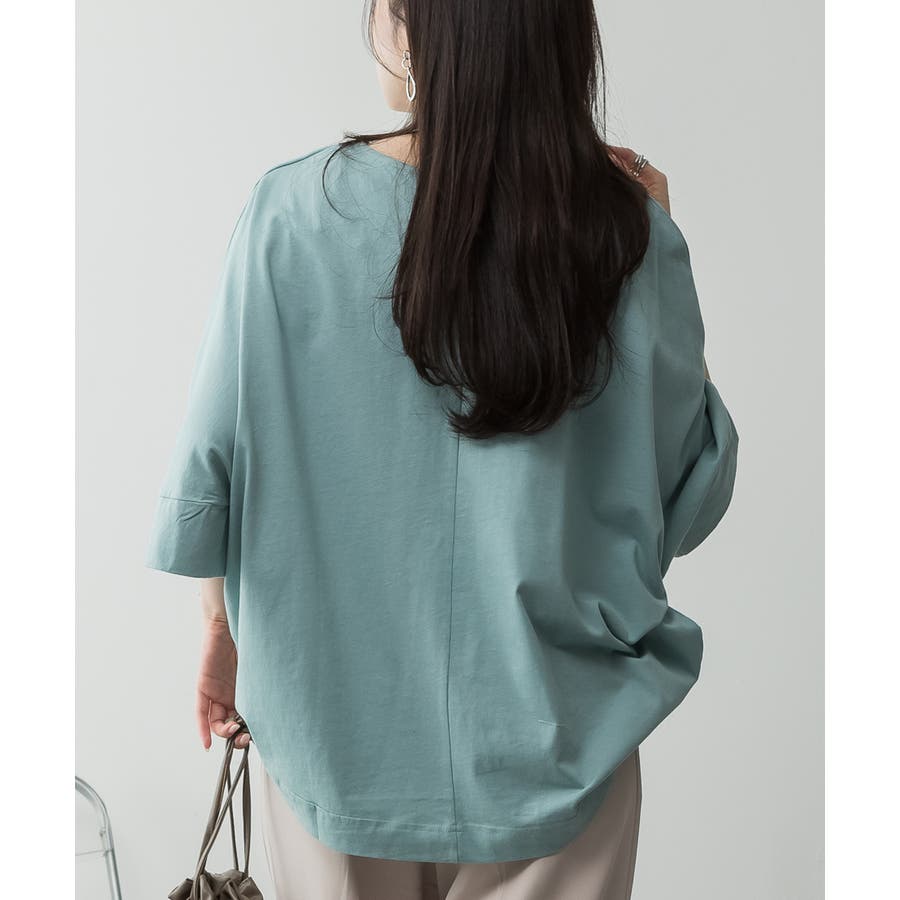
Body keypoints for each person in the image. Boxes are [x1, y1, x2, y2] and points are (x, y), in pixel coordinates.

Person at [144, 0, 739, 897]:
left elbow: (210, 470)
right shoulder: (627, 234)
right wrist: (659, 235)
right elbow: (688, 494)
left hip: (333, 734)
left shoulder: (291, 213)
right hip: (562, 739)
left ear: (422, 31)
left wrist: (220, 633)